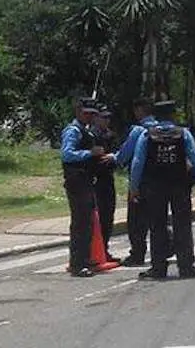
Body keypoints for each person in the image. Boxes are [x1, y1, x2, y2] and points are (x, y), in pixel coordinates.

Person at [129, 100, 195, 280]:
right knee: (183, 225)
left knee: (157, 226)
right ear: (173, 115)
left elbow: (137, 162)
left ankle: (158, 268)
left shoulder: (147, 135)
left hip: (154, 187)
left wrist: (133, 188)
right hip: (179, 185)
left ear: (156, 116)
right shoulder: (183, 133)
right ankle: (186, 266)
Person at [61, 99, 111, 277]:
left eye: (92, 113)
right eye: (86, 113)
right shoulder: (73, 131)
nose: (89, 116)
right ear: (78, 112)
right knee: (80, 223)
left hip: (87, 180)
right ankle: (77, 263)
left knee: (88, 221)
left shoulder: (87, 131)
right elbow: (67, 154)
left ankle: (85, 257)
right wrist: (89, 153)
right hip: (77, 181)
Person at [115, 98, 157, 266]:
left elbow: (129, 157)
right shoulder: (163, 130)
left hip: (142, 182)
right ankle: (163, 249)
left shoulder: (139, 131)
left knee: (136, 221)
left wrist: (133, 187)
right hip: (160, 183)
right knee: (156, 219)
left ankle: (137, 254)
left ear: (140, 111)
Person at [91, 106, 121, 263]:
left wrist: (113, 156)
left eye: (108, 118)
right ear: (96, 118)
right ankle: (94, 251)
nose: (106, 121)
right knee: (98, 215)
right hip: (95, 179)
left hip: (108, 178)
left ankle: (105, 249)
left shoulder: (110, 135)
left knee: (108, 215)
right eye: (103, 118)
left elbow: (117, 153)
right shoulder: (90, 135)